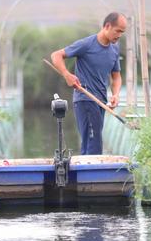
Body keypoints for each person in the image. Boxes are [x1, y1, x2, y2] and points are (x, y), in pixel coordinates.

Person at [50, 12, 126, 155]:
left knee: (91, 142)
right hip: (85, 99)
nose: (120, 35)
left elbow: (116, 76)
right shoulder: (87, 44)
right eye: (118, 31)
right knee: (94, 143)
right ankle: (93, 175)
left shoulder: (114, 50)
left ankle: (83, 174)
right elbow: (56, 55)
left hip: (101, 102)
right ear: (107, 26)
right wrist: (67, 75)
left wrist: (115, 94)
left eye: (123, 32)